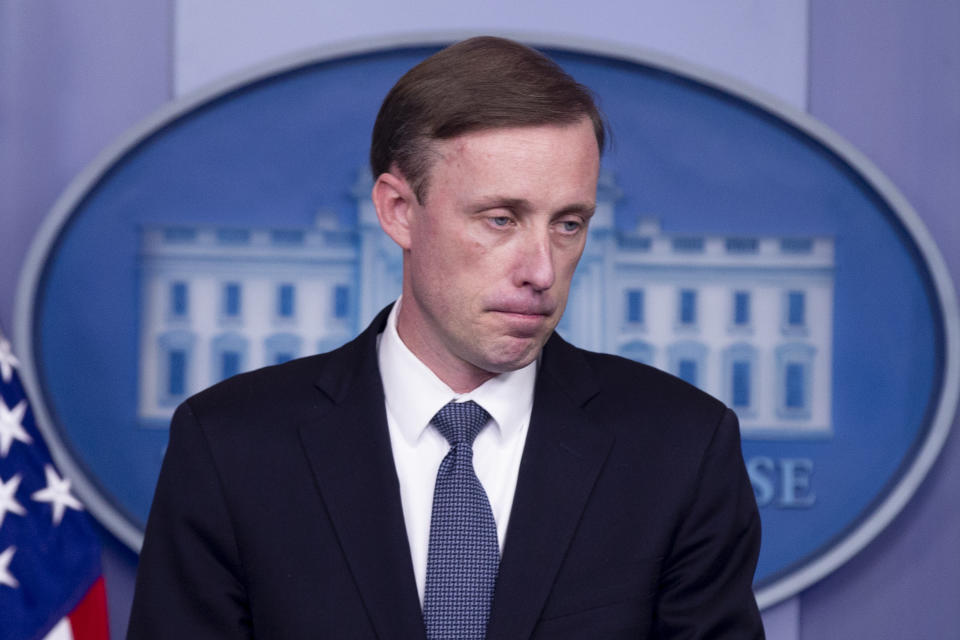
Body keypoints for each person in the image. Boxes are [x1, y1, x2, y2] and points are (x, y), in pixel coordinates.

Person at [128, 36, 764, 639]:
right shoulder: (229, 445)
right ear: (398, 211)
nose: (541, 270)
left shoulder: (682, 447)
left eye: (568, 224)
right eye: (500, 219)